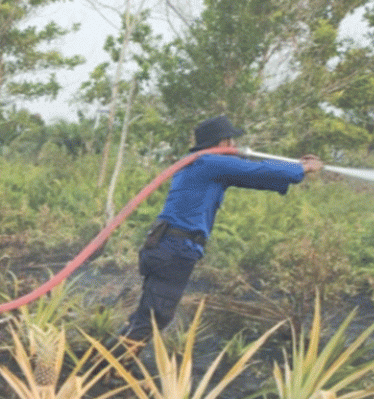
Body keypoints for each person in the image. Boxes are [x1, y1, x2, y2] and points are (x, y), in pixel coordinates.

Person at [107, 115, 323, 357]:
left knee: (150, 314)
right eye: (231, 142)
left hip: (167, 246)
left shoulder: (202, 165)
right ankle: (110, 367)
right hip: (175, 248)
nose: (234, 148)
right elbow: (258, 170)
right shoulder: (210, 163)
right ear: (221, 143)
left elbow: (256, 177)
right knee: (156, 316)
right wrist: (302, 168)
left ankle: (112, 363)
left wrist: (295, 168)